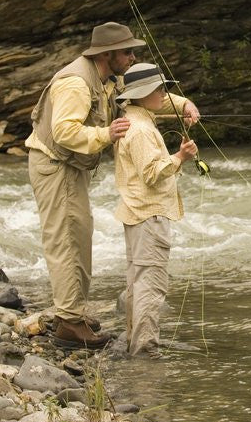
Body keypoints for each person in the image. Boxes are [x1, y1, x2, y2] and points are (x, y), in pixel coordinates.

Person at [26, 22, 198, 349]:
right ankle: (70, 325)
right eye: (127, 52)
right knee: (66, 239)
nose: (133, 58)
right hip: (54, 165)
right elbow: (64, 132)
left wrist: (184, 104)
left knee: (81, 234)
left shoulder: (109, 76)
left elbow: (144, 92)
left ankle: (72, 313)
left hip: (70, 165)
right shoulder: (76, 83)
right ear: (107, 54)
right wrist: (106, 135)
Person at [114, 62, 198, 357]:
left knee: (138, 282)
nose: (164, 94)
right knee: (152, 285)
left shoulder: (137, 121)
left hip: (138, 213)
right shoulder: (140, 130)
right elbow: (151, 173)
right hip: (149, 216)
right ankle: (145, 350)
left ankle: (134, 344)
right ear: (142, 93)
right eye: (160, 89)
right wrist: (180, 157)